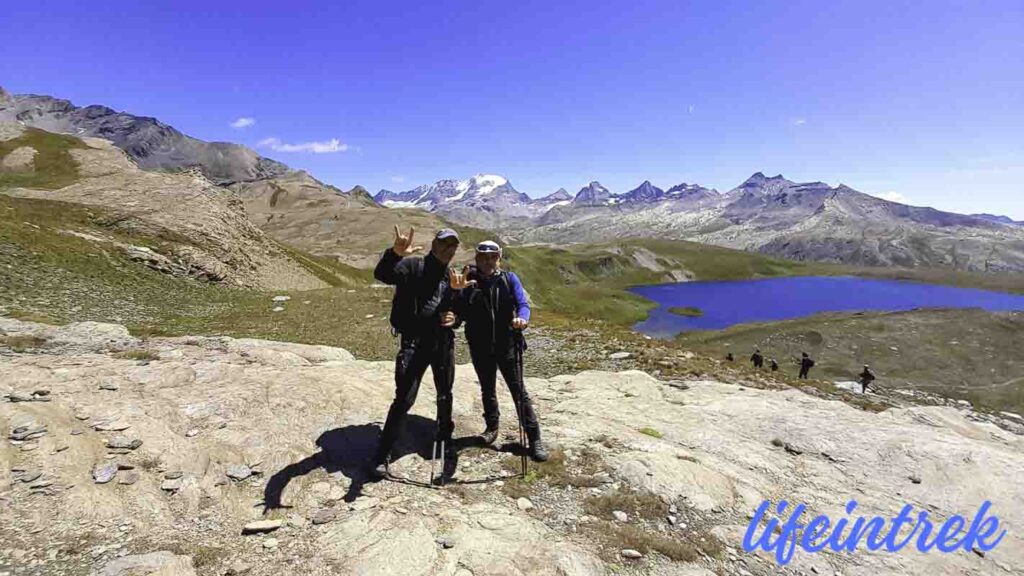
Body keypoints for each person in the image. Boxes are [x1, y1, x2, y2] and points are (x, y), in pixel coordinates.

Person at [369, 226, 462, 479]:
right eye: (444, 244)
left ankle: (444, 440)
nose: (448, 249)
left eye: (453, 245)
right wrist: (394, 254)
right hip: (414, 344)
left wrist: (454, 318)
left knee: (445, 393)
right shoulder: (413, 267)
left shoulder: (451, 277)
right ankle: (382, 454)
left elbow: (457, 312)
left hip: (442, 344)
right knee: (404, 399)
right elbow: (383, 274)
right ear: (434, 244)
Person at [451, 240, 549, 462]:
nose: (488, 261)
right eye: (484, 256)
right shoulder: (469, 281)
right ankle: (491, 427)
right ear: (476, 257)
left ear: (499, 257)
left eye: (493, 256)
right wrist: (455, 305)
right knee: (487, 388)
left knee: (518, 392)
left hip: (508, 346)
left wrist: (522, 319)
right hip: (480, 346)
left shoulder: (508, 279)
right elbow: (458, 311)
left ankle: (534, 438)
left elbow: (523, 304)